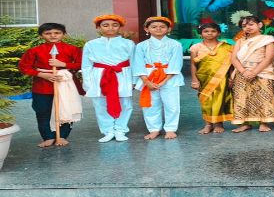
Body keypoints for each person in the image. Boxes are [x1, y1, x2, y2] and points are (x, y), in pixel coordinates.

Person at [18, 23, 83, 147]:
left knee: (65, 109)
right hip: (42, 86)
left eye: (57, 33)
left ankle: (62, 136)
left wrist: (64, 64)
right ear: (41, 35)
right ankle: (48, 137)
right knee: (42, 111)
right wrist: (42, 75)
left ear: (64, 34)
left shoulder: (73, 49)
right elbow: (24, 67)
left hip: (65, 85)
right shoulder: (34, 50)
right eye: (48, 33)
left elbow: (81, 64)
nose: (53, 36)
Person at [81, 14, 135, 142]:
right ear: (98, 27)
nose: (110, 28)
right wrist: (87, 82)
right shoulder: (91, 44)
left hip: (122, 75)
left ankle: (121, 129)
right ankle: (108, 130)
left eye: (115, 25)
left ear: (120, 27)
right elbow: (86, 65)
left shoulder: (128, 43)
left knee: (125, 103)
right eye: (105, 25)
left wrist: (134, 80)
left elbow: (134, 62)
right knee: (100, 104)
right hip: (100, 76)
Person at [133, 16, 185, 140]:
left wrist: (163, 81)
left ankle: (170, 128)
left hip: (169, 77)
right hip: (149, 76)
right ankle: (154, 129)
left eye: (162, 27)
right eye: (154, 27)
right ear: (147, 29)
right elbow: (138, 64)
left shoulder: (175, 44)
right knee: (151, 104)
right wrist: (146, 81)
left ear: (168, 29)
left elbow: (176, 64)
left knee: (171, 104)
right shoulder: (141, 46)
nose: (158, 29)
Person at [230, 15, 274, 133]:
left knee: (264, 97)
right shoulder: (240, 41)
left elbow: (269, 58)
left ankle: (264, 122)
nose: (248, 27)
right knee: (242, 98)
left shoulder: (267, 39)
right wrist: (243, 71)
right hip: (242, 73)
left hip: (263, 72)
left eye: (251, 24)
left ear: (260, 25)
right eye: (244, 26)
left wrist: (254, 72)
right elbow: (234, 58)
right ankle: (244, 123)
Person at [189, 22, 233, 134]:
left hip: (222, 78)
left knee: (220, 100)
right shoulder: (196, 47)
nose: (209, 33)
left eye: (213, 31)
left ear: (219, 33)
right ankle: (208, 124)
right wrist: (194, 80)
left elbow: (231, 64)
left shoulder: (227, 47)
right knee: (206, 101)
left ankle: (218, 124)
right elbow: (193, 64)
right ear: (201, 33)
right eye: (206, 31)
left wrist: (231, 78)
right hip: (203, 79)